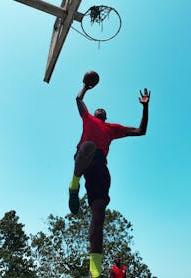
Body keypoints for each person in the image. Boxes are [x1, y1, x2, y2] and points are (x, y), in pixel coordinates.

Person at [68, 79, 150, 278]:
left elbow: (141, 131)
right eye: (99, 109)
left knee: (98, 217)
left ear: (106, 116)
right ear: (94, 114)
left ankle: (94, 271)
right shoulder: (87, 118)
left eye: (103, 110)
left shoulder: (112, 128)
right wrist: (85, 88)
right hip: (85, 158)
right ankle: (74, 184)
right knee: (88, 146)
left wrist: (145, 107)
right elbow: (78, 99)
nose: (101, 110)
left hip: (100, 171)